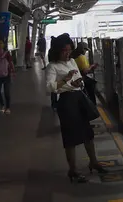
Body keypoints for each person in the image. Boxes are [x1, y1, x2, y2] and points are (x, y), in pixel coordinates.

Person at [46, 34, 107, 183]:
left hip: (79, 98)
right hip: (66, 101)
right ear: (57, 51)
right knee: (71, 137)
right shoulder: (52, 66)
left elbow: (78, 77)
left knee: (88, 133)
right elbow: (49, 87)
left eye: (69, 50)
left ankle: (93, 161)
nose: (67, 53)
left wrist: (78, 82)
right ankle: (73, 169)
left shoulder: (72, 61)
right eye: (64, 51)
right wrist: (66, 80)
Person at [0, 40, 15, 114]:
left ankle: (7, 107)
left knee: (6, 92)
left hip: (6, 75)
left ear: (3, 45)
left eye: (1, 43)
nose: (0, 45)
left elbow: (10, 62)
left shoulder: (7, 53)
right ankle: (2, 105)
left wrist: (13, 71)